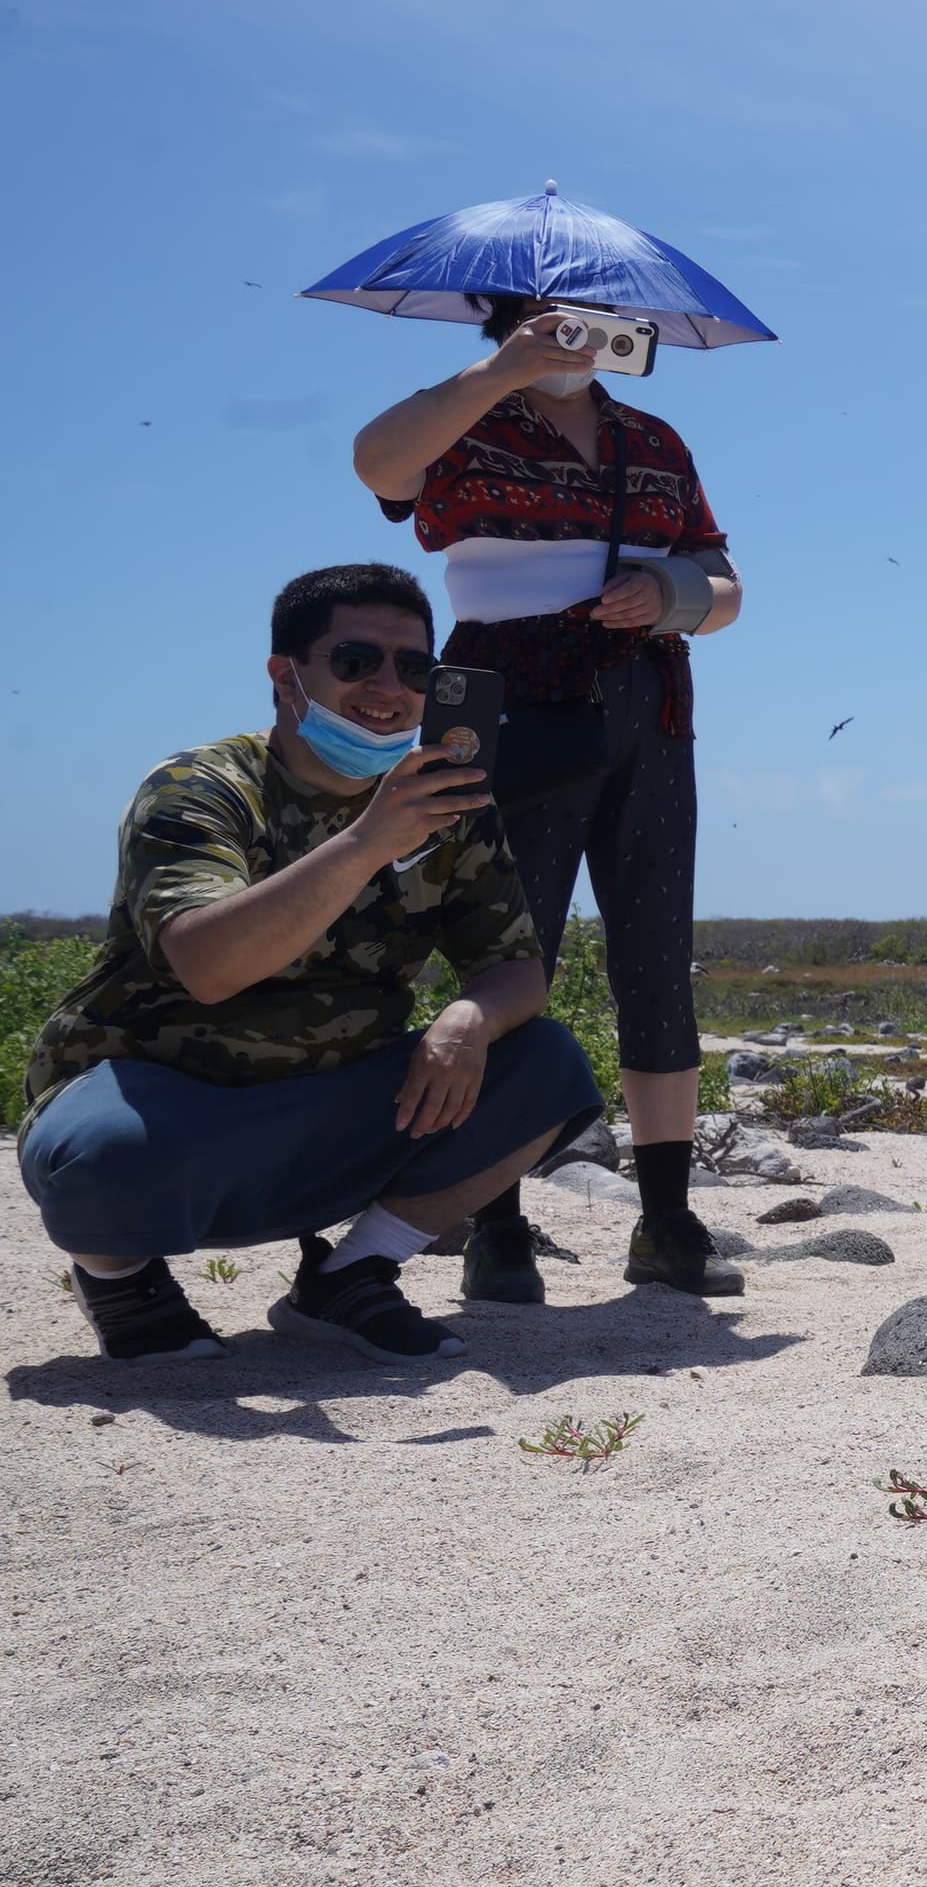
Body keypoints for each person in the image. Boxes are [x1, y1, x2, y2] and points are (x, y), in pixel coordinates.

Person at [19, 565, 602, 1362]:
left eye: (415, 668)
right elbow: (210, 965)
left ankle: (350, 1276)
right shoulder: (203, 788)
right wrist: (368, 842)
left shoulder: (449, 803)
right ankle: (122, 1278)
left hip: (331, 1100)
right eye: (357, 661)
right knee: (103, 1156)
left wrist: (469, 1016)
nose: (388, 687)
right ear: (284, 675)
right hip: (168, 1097)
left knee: (544, 1063)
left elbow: (515, 968)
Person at [350, 291, 745, 1303]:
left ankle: (664, 1216)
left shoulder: (653, 437)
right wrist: (502, 373)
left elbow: (726, 583)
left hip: (644, 703)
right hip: (501, 695)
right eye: (556, 319)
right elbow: (378, 464)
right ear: (512, 317)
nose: (581, 335)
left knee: (656, 953)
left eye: (601, 316)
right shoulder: (466, 412)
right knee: (505, 946)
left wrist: (672, 597)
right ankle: (497, 1224)